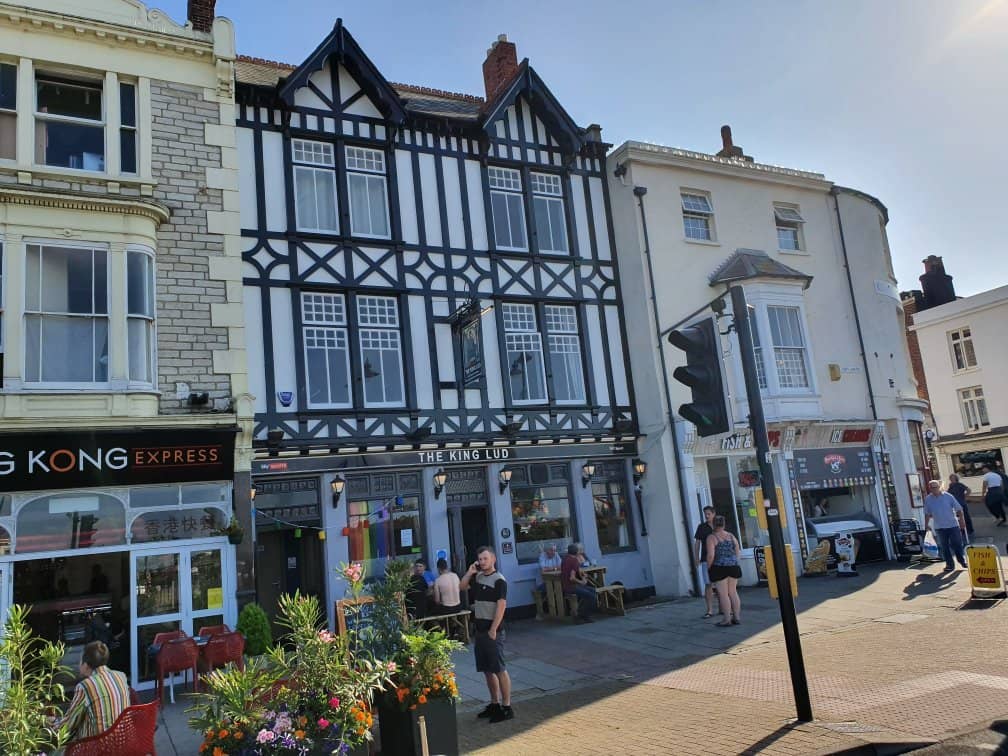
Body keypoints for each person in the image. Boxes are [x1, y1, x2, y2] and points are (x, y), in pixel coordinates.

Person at [460, 546, 513, 723]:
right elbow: (462, 586)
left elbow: (501, 606)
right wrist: (470, 572)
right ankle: (494, 703)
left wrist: (493, 629)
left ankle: (507, 707)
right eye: (480, 559)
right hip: (480, 630)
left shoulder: (499, 580)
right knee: (487, 670)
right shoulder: (479, 577)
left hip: (492, 632)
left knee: (499, 669)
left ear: (493, 559)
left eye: (485, 558)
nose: (482, 562)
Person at [58, 640, 131, 742]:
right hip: (123, 741)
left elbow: (68, 725)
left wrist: (52, 723)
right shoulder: (121, 676)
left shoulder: (85, 686)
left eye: (80, 660)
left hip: (98, 746)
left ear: (86, 664)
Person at [924, 480, 968, 572]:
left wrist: (962, 521)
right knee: (944, 547)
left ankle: (962, 561)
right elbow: (927, 513)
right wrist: (926, 525)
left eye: (936, 487)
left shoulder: (948, 496)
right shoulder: (928, 499)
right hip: (939, 527)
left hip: (953, 525)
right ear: (930, 488)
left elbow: (959, 509)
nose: (934, 489)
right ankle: (949, 565)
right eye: (932, 487)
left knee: (957, 544)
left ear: (939, 487)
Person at [706, 516, 742, 627]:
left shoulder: (712, 537)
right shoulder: (731, 536)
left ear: (713, 524)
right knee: (733, 592)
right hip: (733, 567)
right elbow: (737, 551)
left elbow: (711, 555)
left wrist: (709, 567)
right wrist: (734, 562)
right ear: (724, 524)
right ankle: (737, 617)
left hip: (720, 568)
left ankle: (727, 619)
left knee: (723, 594)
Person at [561, 543, 596, 623]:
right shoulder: (574, 560)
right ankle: (582, 616)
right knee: (592, 596)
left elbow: (577, 570)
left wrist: (582, 574)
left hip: (566, 586)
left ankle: (581, 613)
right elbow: (572, 578)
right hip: (571, 587)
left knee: (592, 590)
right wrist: (581, 582)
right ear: (576, 552)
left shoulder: (565, 559)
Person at [694, 506, 717, 618]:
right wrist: (696, 557)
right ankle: (710, 610)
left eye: (708, 514)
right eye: (705, 514)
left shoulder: (718, 525)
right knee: (708, 584)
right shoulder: (701, 527)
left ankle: (724, 608)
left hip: (719, 558)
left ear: (713, 514)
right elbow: (697, 543)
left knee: (721, 584)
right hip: (705, 558)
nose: (707, 516)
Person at [947, 473, 974, 538]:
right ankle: (962, 530)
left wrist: (965, 496)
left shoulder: (959, 484)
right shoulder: (951, 486)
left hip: (961, 503)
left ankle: (969, 530)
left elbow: (969, 490)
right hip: (954, 504)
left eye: (953, 478)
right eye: (950, 478)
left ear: (956, 478)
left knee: (966, 516)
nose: (951, 479)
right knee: (957, 518)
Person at [535, 544, 562, 608]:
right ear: (546, 551)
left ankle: (560, 608)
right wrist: (555, 568)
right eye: (552, 550)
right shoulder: (542, 556)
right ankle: (553, 608)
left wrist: (550, 568)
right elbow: (543, 569)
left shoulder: (556, 554)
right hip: (542, 583)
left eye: (555, 550)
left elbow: (561, 566)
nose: (553, 552)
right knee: (556, 587)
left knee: (561, 586)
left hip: (555, 581)